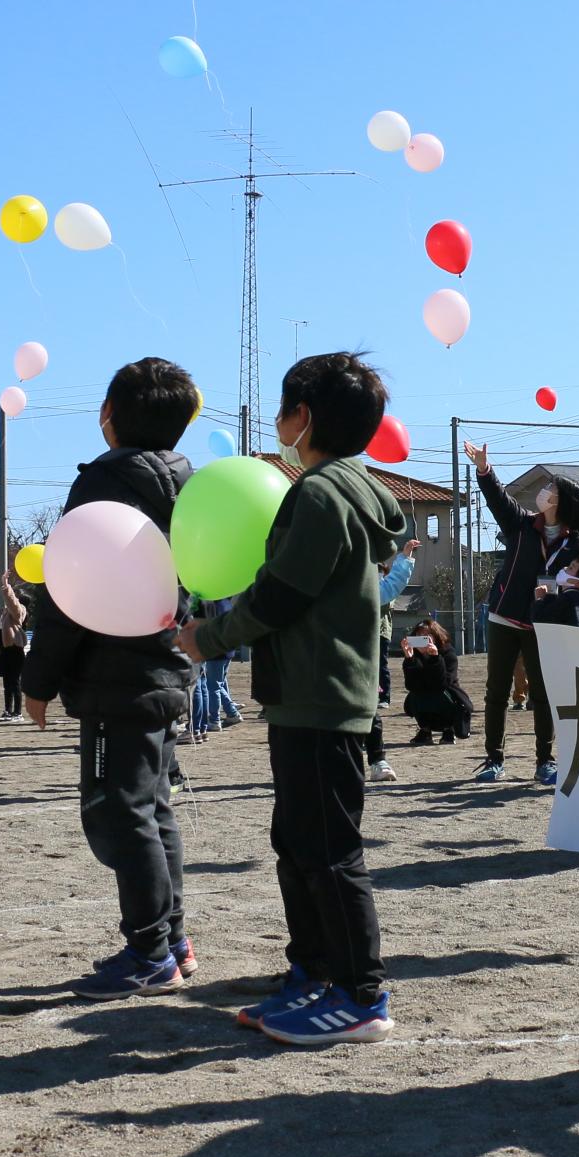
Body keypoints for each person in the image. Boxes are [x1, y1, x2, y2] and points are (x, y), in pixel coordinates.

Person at [181, 352, 405, 1046]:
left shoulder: (321, 494)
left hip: (320, 695)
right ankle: (312, 972)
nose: (279, 426)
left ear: (302, 418)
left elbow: (280, 596)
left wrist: (207, 637)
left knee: (328, 850)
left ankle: (358, 995)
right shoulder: (351, 488)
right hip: (314, 696)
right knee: (298, 842)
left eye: (284, 412)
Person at [18, 356, 202, 998]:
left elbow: (67, 590)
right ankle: (172, 940)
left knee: (117, 814)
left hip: (114, 675)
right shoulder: (189, 483)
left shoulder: (104, 483)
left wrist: (38, 679)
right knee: (151, 808)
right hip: (164, 666)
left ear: (110, 417)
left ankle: (150, 951)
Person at [461, 446, 579, 786]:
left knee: (543, 692)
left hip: (542, 624)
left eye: (551, 489)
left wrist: (567, 588)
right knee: (496, 691)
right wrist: (485, 469)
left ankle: (545, 761)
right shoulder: (520, 523)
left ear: (561, 502)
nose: (544, 492)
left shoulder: (576, 543)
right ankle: (493, 759)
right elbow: (497, 499)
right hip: (504, 616)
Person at [365, 538, 420, 784]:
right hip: (324, 656)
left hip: (358, 658)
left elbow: (389, 587)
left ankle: (378, 760)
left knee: (369, 710)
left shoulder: (362, 585)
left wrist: (405, 558)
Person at [401, 617, 471, 743]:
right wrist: (410, 660)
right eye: (419, 634)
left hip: (446, 698)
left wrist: (434, 658)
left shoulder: (447, 652)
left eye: (427, 635)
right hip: (424, 698)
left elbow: (442, 683)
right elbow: (411, 685)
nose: (423, 638)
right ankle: (425, 730)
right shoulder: (413, 654)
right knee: (415, 695)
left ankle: (449, 729)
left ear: (436, 636)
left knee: (441, 694)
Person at [187, 598, 242, 738]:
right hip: (227, 650)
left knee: (212, 687)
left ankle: (215, 720)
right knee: (218, 684)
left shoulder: (205, 603)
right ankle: (231, 712)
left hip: (214, 651)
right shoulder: (226, 603)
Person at [0, 571, 28, 723]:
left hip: (15, 651)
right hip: (4, 652)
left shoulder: (19, 611)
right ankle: (7, 710)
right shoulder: (3, 613)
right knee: (6, 683)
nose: (11, 599)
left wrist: (6, 585)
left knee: (14, 682)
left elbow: (13, 604)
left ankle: (18, 713)